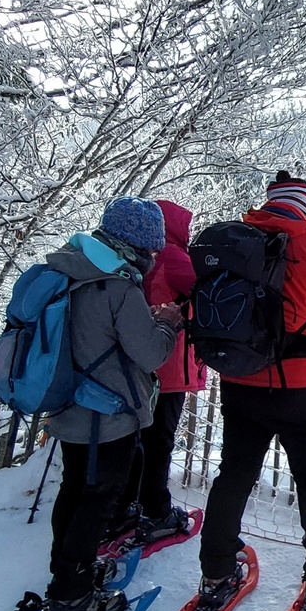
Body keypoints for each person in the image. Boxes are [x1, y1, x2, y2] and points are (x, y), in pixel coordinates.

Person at [192, 172, 306, 611]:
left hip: (240, 382)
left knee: (233, 474)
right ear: (305, 210)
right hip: (302, 388)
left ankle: (216, 573)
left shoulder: (236, 242)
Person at [2, 197, 184, 611]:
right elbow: (149, 353)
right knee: (98, 499)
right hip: (108, 413)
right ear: (137, 245)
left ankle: (68, 574)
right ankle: (71, 596)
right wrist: (167, 324)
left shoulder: (68, 267)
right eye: (152, 248)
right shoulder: (118, 286)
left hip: (66, 402)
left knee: (74, 491)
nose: (154, 256)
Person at [104, 198, 205, 549]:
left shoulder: (130, 258)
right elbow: (204, 292)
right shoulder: (174, 257)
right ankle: (156, 511)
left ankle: (122, 511)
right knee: (159, 440)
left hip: (135, 363)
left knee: (136, 441)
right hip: (168, 363)